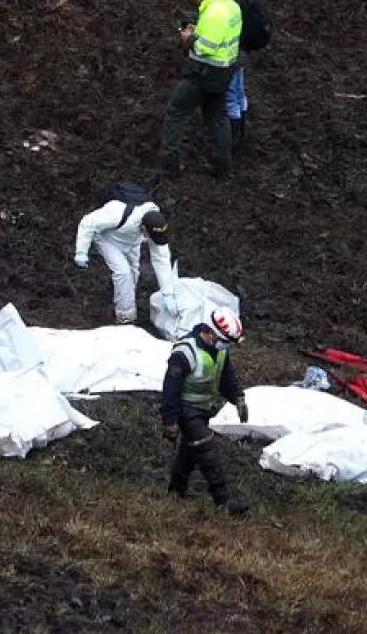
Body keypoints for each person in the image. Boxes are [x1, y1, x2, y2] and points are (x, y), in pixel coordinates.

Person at [160, 306, 249, 515]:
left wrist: (238, 397)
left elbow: (227, 376)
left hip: (203, 409)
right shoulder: (185, 353)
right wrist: (170, 420)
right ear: (209, 332)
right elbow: (170, 389)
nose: (223, 348)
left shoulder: (220, 349)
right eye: (221, 342)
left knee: (190, 452)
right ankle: (223, 500)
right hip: (186, 411)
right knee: (207, 448)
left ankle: (176, 490)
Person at [158, 0, 242, 178]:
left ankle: (170, 165)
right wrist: (199, 30)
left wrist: (188, 38)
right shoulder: (230, 5)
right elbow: (219, 36)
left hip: (204, 73)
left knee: (176, 110)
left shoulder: (214, 14)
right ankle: (222, 166)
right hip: (224, 72)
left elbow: (205, 47)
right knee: (217, 117)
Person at [73, 185, 175, 325]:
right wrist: (81, 251)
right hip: (107, 238)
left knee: (133, 273)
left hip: (131, 240)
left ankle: (125, 303)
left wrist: (167, 292)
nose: (152, 240)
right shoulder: (116, 212)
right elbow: (88, 223)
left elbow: (161, 259)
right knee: (123, 272)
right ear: (143, 228)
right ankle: (125, 318)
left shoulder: (154, 224)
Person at [204, 0, 271, 155]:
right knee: (240, 91)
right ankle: (240, 132)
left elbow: (227, 21)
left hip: (233, 49)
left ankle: (232, 141)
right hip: (242, 46)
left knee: (231, 94)